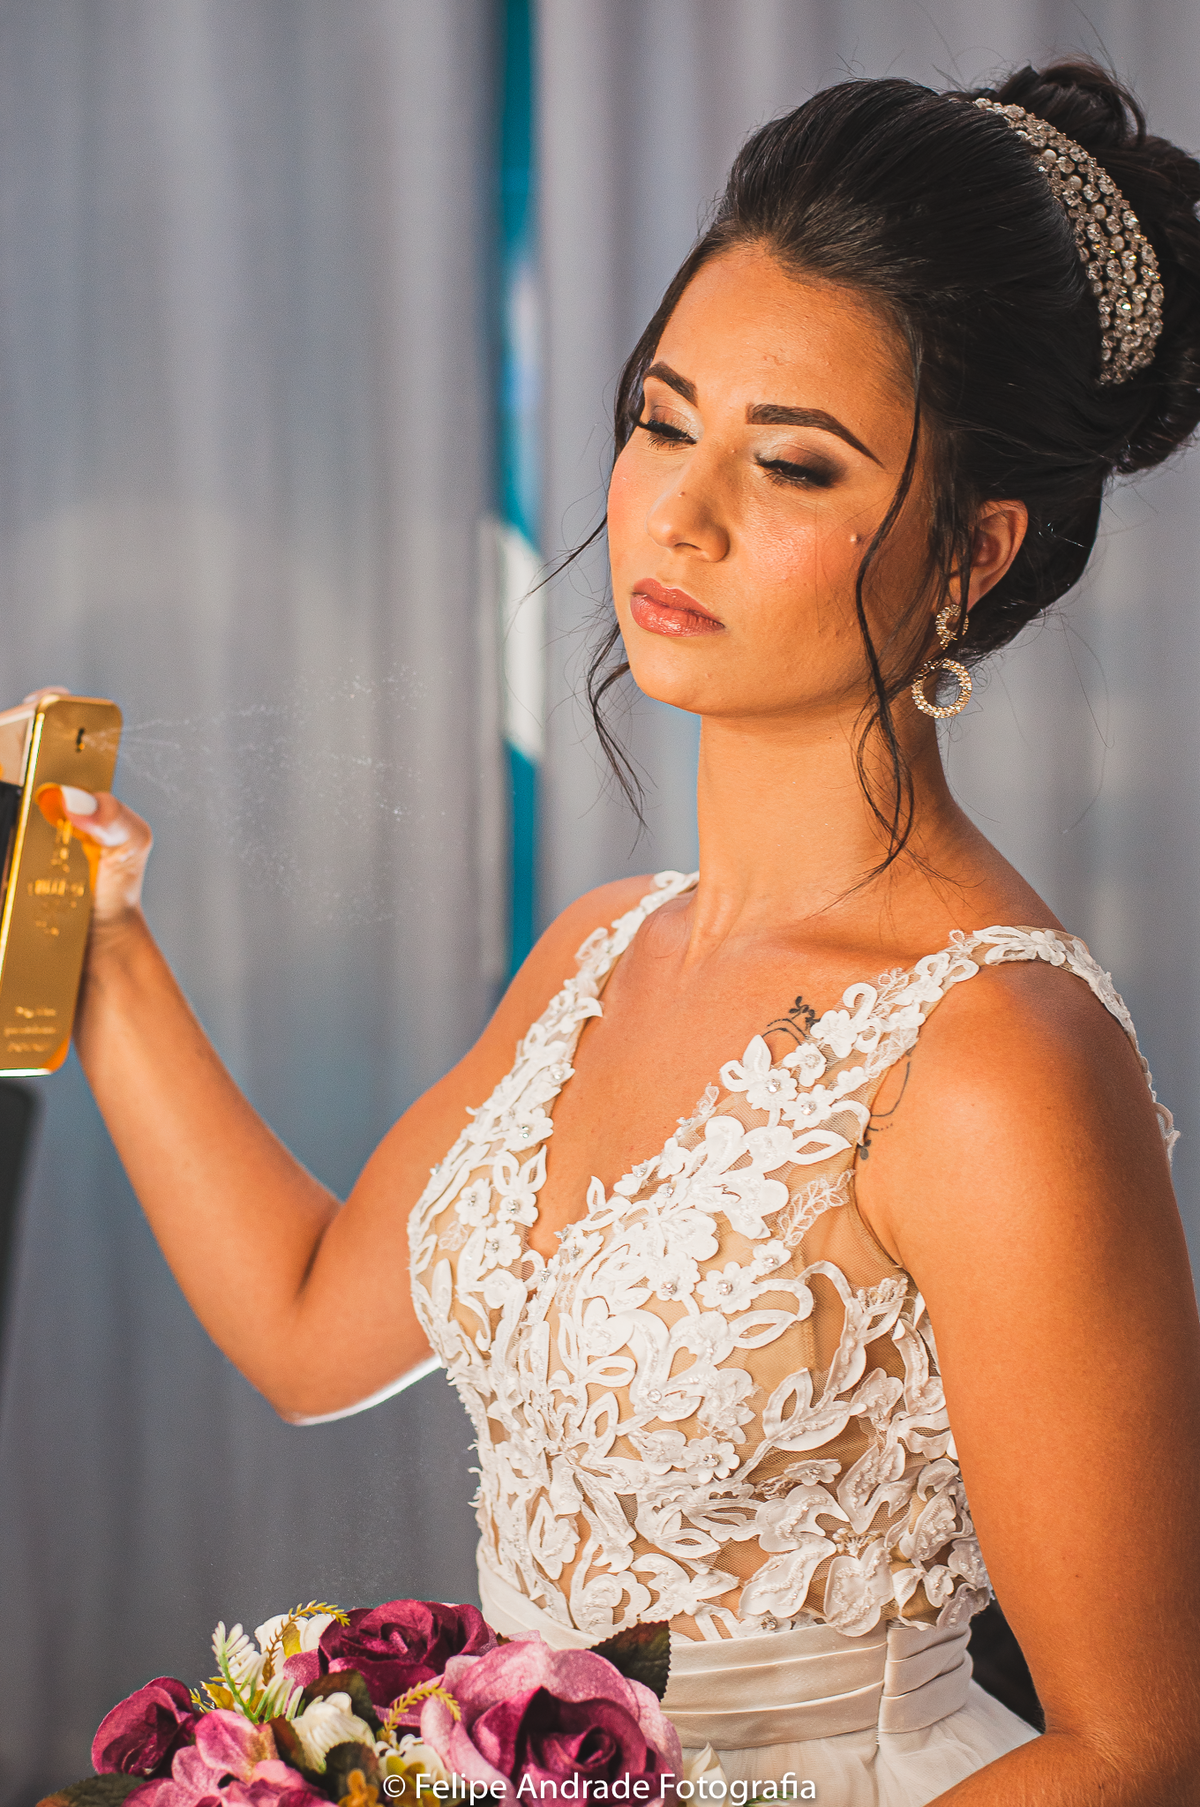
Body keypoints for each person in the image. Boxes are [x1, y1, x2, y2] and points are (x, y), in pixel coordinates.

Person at [43, 58, 1200, 1807]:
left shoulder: (996, 1062)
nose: (681, 511)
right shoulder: (599, 953)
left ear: (973, 551)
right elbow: (304, 1321)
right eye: (663, 422)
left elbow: (1141, 1745)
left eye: (791, 464)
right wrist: (101, 938)